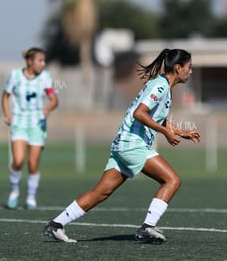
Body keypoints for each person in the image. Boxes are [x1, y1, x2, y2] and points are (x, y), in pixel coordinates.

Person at [43, 48, 201, 243]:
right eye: (189, 67)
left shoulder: (164, 89)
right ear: (178, 68)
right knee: (172, 180)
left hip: (123, 144)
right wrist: (166, 132)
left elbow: (159, 120)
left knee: (101, 192)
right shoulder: (159, 87)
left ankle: (56, 225)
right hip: (132, 145)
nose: (191, 71)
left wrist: (180, 132)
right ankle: (147, 227)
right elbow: (140, 114)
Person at [2, 47, 58, 209]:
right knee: (18, 161)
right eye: (40, 60)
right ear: (29, 61)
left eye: (44, 60)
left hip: (37, 125)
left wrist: (48, 108)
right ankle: (14, 191)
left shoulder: (45, 78)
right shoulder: (15, 76)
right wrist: (7, 114)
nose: (43, 64)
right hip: (19, 123)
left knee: (33, 164)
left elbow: (53, 99)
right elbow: (5, 96)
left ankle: (31, 197)